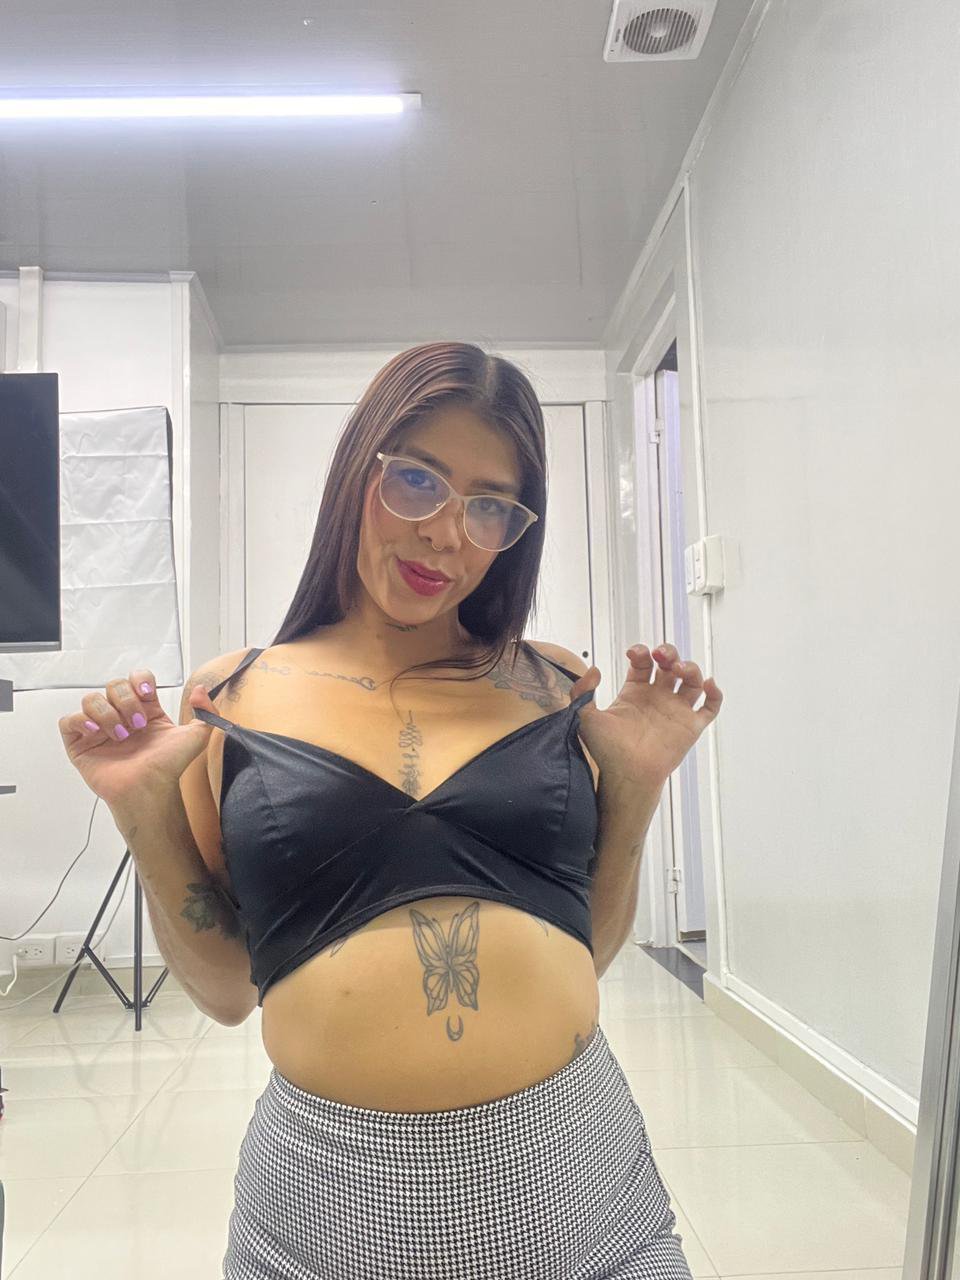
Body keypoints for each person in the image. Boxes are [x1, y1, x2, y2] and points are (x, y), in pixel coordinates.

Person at [60, 342, 698, 1278]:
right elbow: (228, 993)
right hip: (327, 1204)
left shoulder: (551, 683)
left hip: (577, 1181)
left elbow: (587, 950)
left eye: (490, 505)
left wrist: (636, 787)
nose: (446, 534)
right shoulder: (227, 698)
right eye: (417, 481)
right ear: (358, 470)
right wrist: (142, 811)